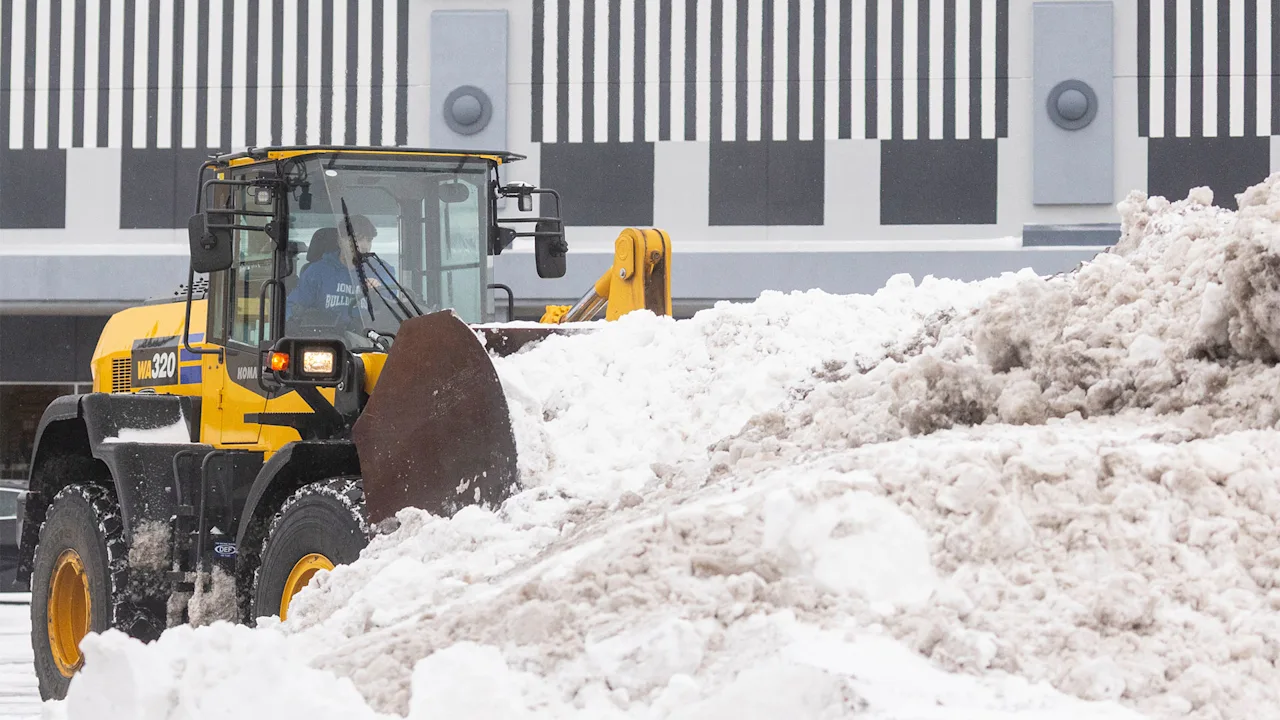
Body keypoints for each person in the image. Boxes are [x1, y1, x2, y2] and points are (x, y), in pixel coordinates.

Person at [286, 215, 393, 331]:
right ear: (340, 241)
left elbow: (393, 304)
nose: (365, 246)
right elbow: (293, 307)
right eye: (358, 239)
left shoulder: (381, 270)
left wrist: (378, 292)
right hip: (327, 340)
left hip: (370, 339)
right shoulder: (317, 272)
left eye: (369, 240)